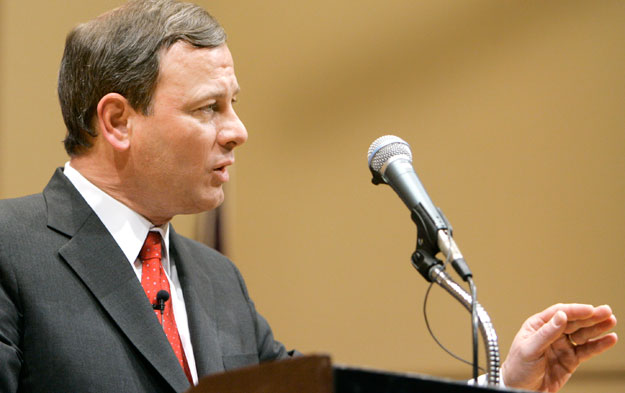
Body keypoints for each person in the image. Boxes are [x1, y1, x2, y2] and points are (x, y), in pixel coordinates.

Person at [0, 1, 617, 392]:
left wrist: (501, 386)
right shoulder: (11, 250)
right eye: (207, 108)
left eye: (233, 105)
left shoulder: (217, 282)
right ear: (117, 121)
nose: (237, 130)